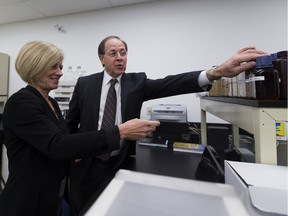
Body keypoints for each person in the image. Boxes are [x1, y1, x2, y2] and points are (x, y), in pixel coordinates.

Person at [66, 35, 266, 215]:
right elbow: (70, 123)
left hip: (118, 164)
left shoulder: (137, 82)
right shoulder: (85, 84)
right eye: (113, 53)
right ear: (101, 58)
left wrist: (216, 72)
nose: (120, 57)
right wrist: (73, 151)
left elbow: (172, 83)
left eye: (123, 52)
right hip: (85, 165)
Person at [0, 41, 160, 216]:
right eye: (53, 66)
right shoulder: (21, 102)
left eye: (60, 66)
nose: (60, 72)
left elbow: (66, 136)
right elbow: (57, 145)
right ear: (35, 66)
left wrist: (78, 152)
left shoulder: (50, 102)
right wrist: (121, 131)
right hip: (28, 200)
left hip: (53, 192)